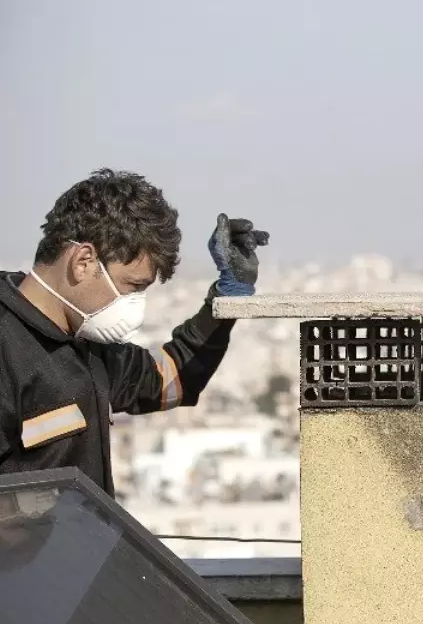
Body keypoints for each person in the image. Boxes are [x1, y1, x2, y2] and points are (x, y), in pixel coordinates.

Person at [0, 169, 269, 496]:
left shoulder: (86, 344)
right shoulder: (8, 348)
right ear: (83, 261)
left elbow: (171, 378)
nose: (135, 305)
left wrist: (225, 300)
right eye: (132, 286)